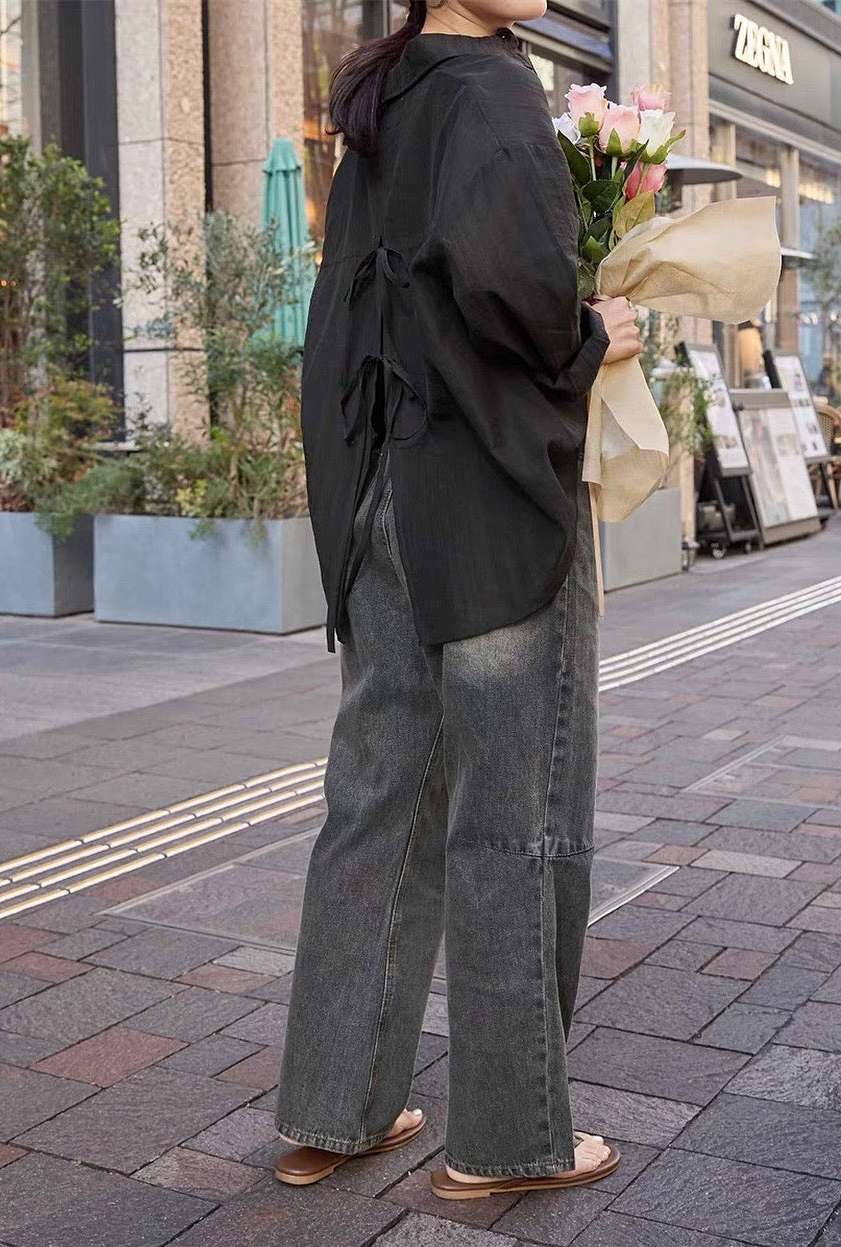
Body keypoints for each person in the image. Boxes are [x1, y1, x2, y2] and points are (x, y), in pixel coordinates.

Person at [273, 0, 642, 1199]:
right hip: (483, 505)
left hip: (379, 489)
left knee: (374, 802)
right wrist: (596, 335)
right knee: (509, 812)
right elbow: (514, 300)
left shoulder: (383, 93)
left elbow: (356, 310)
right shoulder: (491, 88)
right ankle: (506, 1138)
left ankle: (332, 1107)